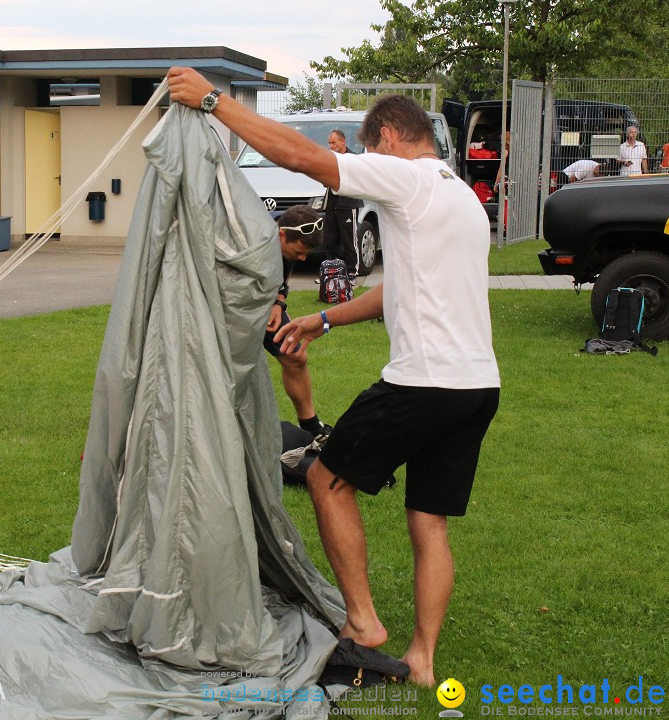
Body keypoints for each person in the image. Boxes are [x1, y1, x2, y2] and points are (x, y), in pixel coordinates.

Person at [167, 68, 500, 687]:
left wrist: (213, 101)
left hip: (421, 383)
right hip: (477, 386)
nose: (372, 164)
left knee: (326, 479)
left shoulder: (408, 175)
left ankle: (365, 623)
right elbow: (400, 289)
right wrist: (324, 318)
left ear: (392, 139)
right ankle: (423, 660)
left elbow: (304, 157)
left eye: (373, 152)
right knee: (428, 521)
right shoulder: (461, 199)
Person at [268, 205, 331, 440]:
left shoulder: (286, 242)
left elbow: (283, 274)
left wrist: (278, 303)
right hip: (234, 307)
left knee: (294, 355)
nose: (303, 258)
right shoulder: (251, 241)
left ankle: (311, 426)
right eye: (299, 251)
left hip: (268, 304)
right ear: (281, 235)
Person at [321, 129, 364, 281]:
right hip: (332, 202)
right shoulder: (330, 158)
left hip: (348, 203)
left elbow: (357, 180)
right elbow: (325, 179)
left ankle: (353, 272)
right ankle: (331, 270)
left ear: (343, 141)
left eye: (334, 143)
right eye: (329, 143)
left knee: (349, 239)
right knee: (330, 237)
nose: (331, 146)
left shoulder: (353, 159)